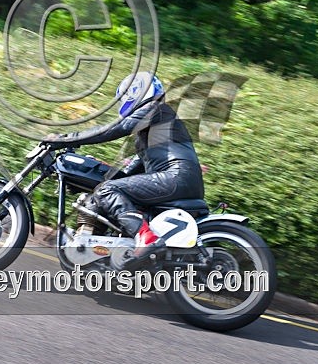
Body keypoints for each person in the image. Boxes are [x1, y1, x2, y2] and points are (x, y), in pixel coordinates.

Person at [43, 71, 205, 269]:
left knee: (106, 190)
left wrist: (67, 138)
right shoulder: (150, 131)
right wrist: (99, 168)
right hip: (175, 179)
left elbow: (116, 128)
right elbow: (130, 176)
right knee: (107, 189)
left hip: (175, 177)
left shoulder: (157, 108)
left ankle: (145, 237)